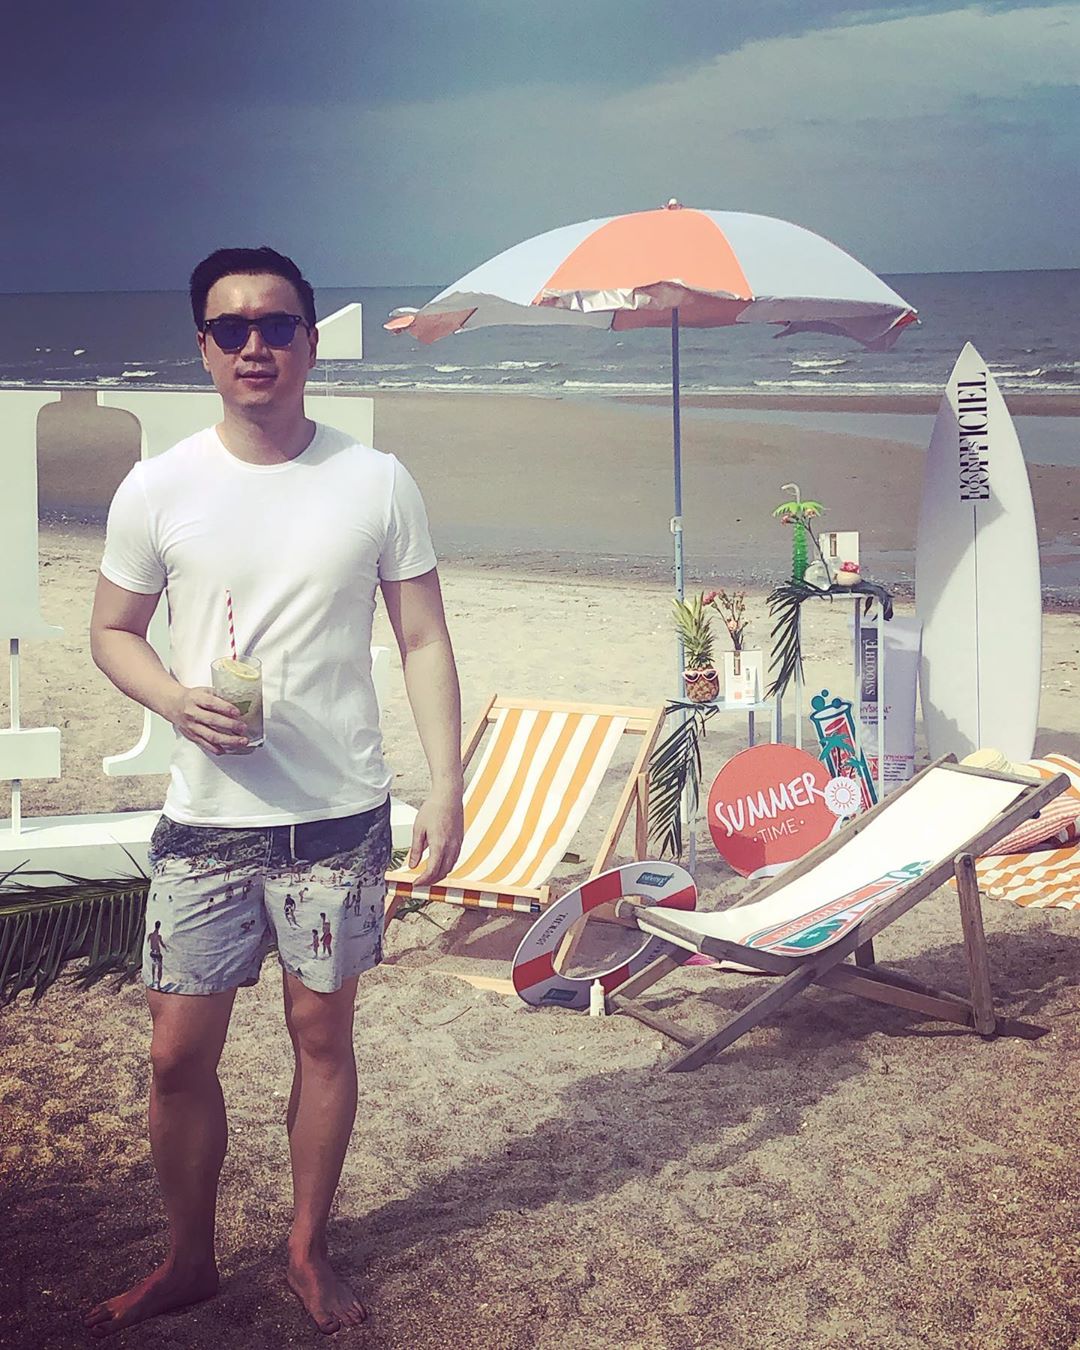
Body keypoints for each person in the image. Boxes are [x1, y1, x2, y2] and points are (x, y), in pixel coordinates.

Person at [85, 246, 463, 1338]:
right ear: (203, 347)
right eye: (232, 328)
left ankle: (306, 1246)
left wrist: (446, 785)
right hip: (205, 820)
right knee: (175, 1055)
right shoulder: (160, 486)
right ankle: (188, 1259)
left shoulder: (376, 481)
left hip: (337, 820)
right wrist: (174, 699)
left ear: (310, 340)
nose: (256, 345)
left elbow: (424, 637)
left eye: (278, 325)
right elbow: (111, 630)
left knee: (323, 1039)